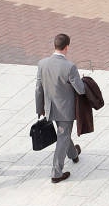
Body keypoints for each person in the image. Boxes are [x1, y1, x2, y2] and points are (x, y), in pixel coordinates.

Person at [36, 33, 88, 183]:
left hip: (49, 108)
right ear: (67, 47)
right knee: (63, 137)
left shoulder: (42, 63)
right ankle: (56, 173)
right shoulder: (70, 67)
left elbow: (38, 88)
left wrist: (40, 108)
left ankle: (73, 154)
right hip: (65, 110)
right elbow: (80, 90)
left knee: (63, 134)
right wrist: (82, 79)